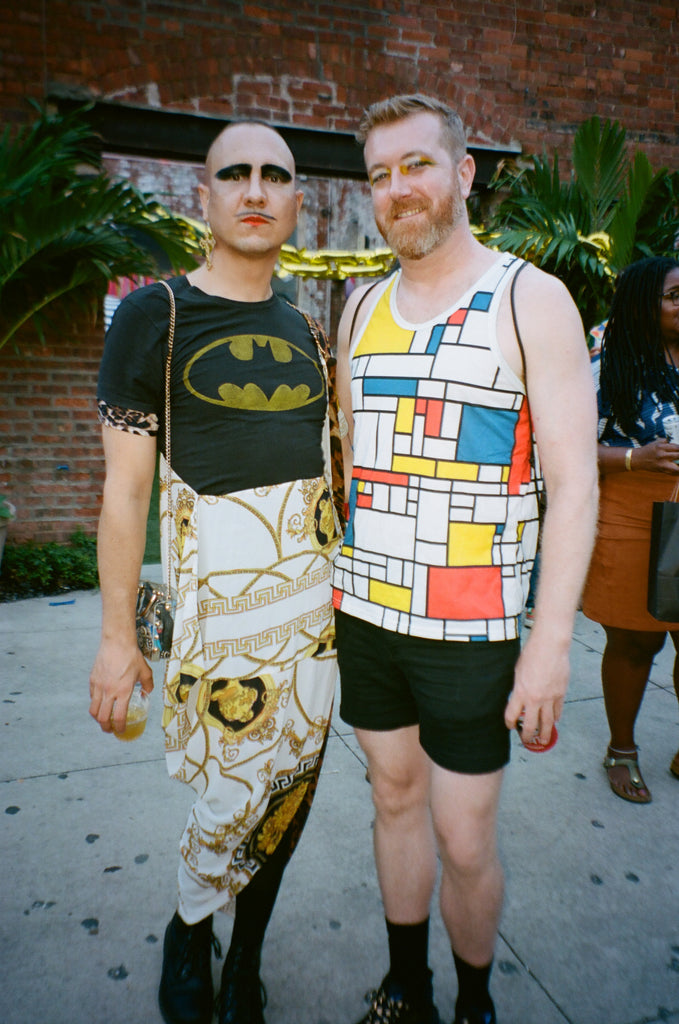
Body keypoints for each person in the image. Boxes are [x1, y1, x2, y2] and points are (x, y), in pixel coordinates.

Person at [332, 94, 598, 1024]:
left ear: (462, 172)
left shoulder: (530, 299)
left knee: (466, 834)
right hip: (366, 616)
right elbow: (357, 473)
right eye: (378, 174)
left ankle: (473, 1001)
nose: (397, 189)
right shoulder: (357, 309)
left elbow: (574, 487)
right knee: (392, 801)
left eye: (415, 165)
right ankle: (407, 986)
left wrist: (550, 644)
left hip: (473, 627)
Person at [88, 121, 345, 1024]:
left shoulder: (310, 333)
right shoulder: (152, 314)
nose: (254, 187)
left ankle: (248, 961)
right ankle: (191, 924)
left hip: (310, 618)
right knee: (222, 796)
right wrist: (118, 640)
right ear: (204, 195)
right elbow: (124, 496)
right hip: (214, 621)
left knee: (289, 796)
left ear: (294, 202)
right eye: (232, 171)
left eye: (275, 174)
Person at [582, 255, 679, 803]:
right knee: (636, 640)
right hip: (633, 510)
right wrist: (633, 460)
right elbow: (565, 445)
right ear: (646, 303)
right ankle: (623, 749)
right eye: (674, 296)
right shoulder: (609, 362)